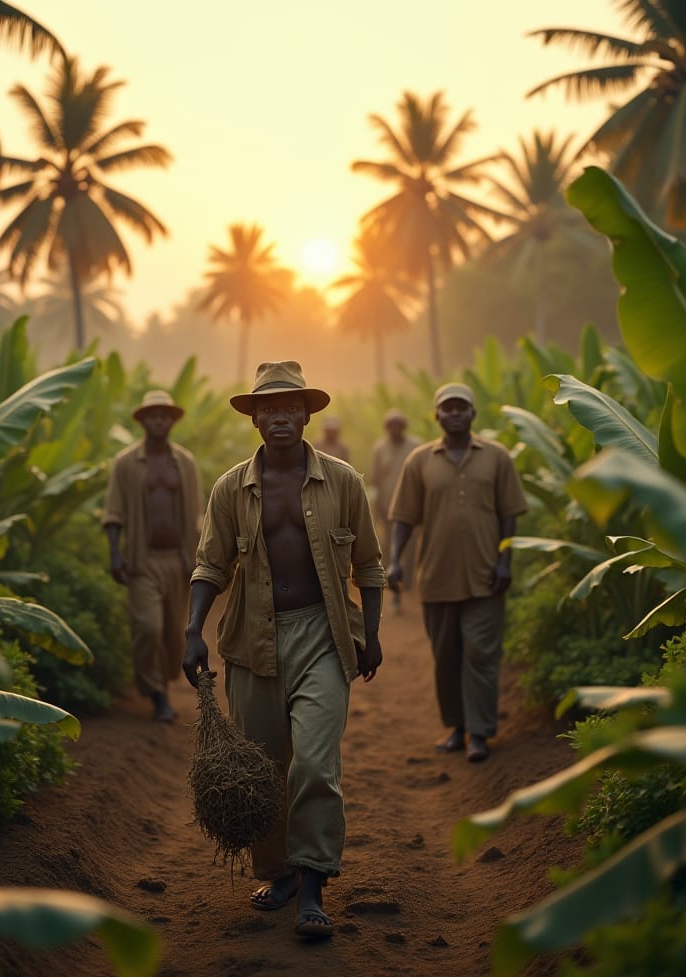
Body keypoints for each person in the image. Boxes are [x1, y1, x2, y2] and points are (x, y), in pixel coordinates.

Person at [182, 360, 385, 940]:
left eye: (289, 407)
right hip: (253, 640)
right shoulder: (231, 488)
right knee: (266, 767)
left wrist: (370, 634)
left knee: (316, 762)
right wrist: (193, 628)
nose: (279, 417)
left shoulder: (343, 481)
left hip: (323, 635)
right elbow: (211, 565)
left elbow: (369, 564)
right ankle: (280, 873)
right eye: (268, 408)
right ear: (255, 417)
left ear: (306, 414)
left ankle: (314, 882)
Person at [386, 382, 527, 764]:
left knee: (481, 654)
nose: (454, 413)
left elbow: (509, 512)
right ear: (437, 415)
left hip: (486, 576)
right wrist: (395, 559)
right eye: (447, 407)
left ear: (473, 413)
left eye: (461, 407)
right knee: (446, 657)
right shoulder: (419, 461)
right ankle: (457, 728)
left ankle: (480, 733)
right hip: (436, 576)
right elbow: (403, 517)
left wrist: (505, 561)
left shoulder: (497, 458)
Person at [103, 389, 201, 724]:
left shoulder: (185, 463)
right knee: (148, 626)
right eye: (152, 416)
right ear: (143, 420)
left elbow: (198, 515)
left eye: (165, 416)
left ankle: (164, 685)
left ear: (172, 420)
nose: (159, 421)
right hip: (142, 561)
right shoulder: (125, 463)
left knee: (173, 632)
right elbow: (113, 512)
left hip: (178, 559)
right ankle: (156, 693)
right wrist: (116, 554)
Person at [369, 408, 420, 611]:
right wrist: (378, 507)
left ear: (404, 426)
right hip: (389, 509)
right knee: (391, 549)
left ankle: (407, 584)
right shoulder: (380, 448)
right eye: (391, 425)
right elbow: (376, 480)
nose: (395, 429)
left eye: (399, 425)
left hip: (412, 509)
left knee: (411, 547)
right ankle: (394, 588)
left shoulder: (415, 446)